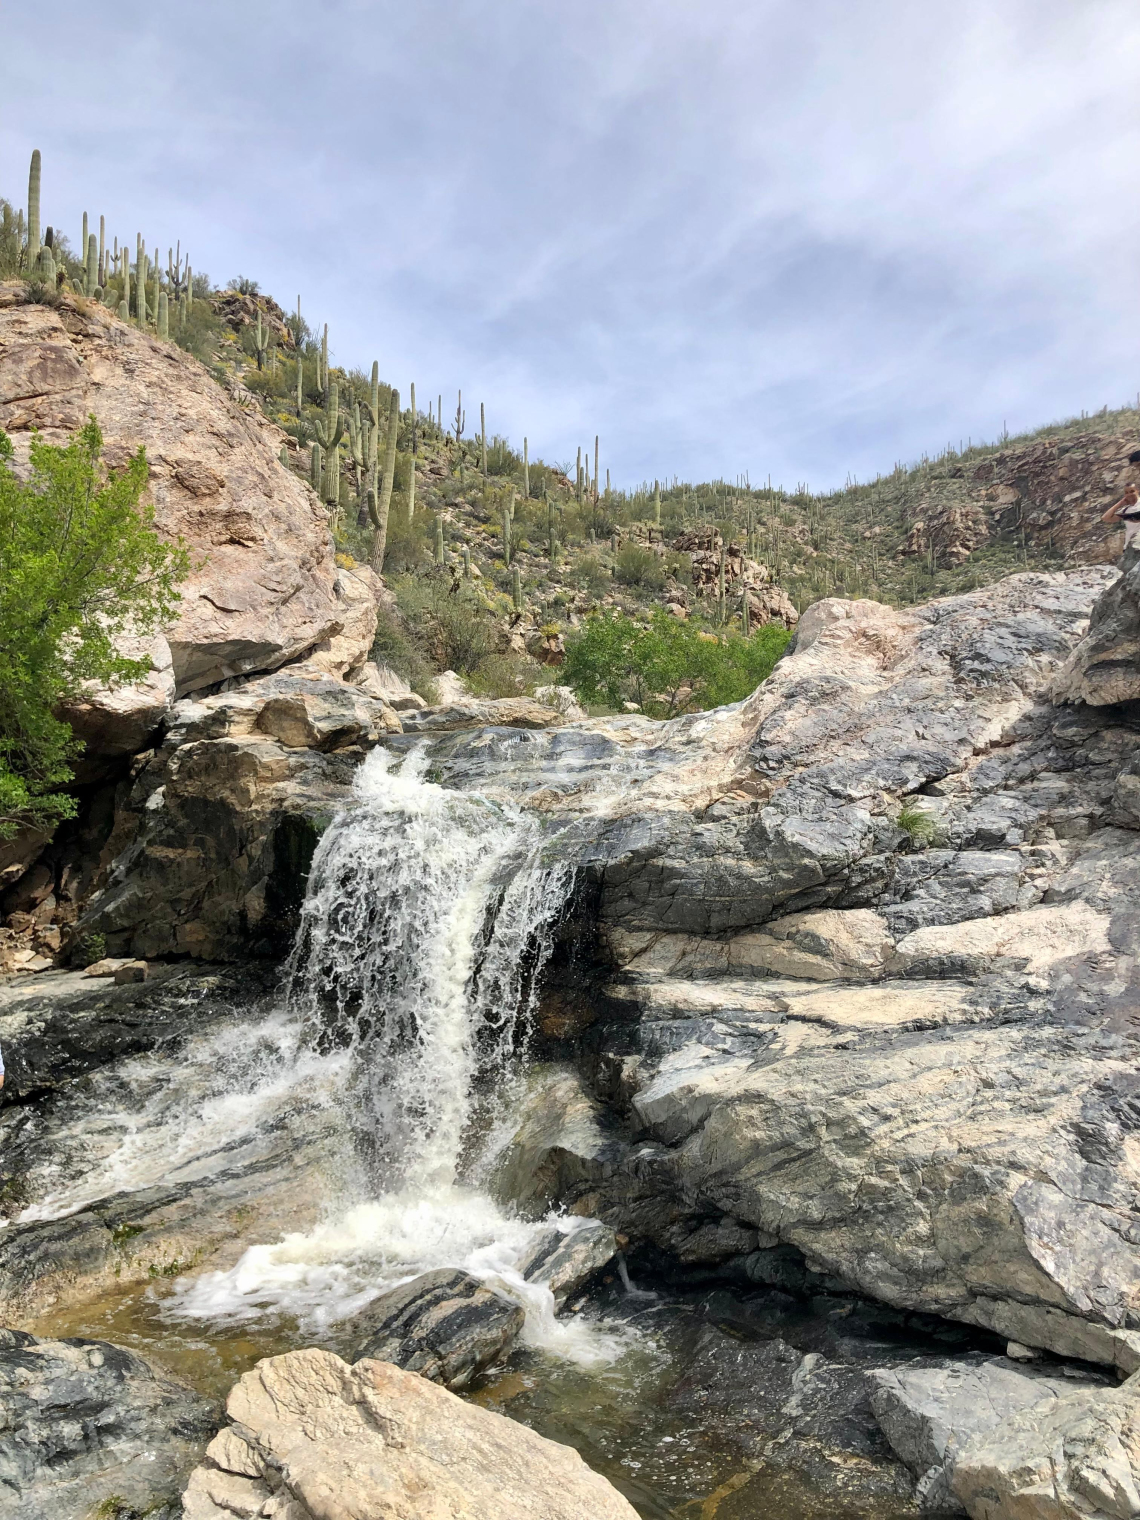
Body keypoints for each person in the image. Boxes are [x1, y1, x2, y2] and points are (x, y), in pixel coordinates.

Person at [1102, 482, 1140, 551]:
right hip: (1129, 548)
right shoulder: (1125, 510)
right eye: (1126, 492)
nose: (1129, 494)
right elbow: (1106, 518)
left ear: (1137, 490)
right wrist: (1120, 503)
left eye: (1132, 491)